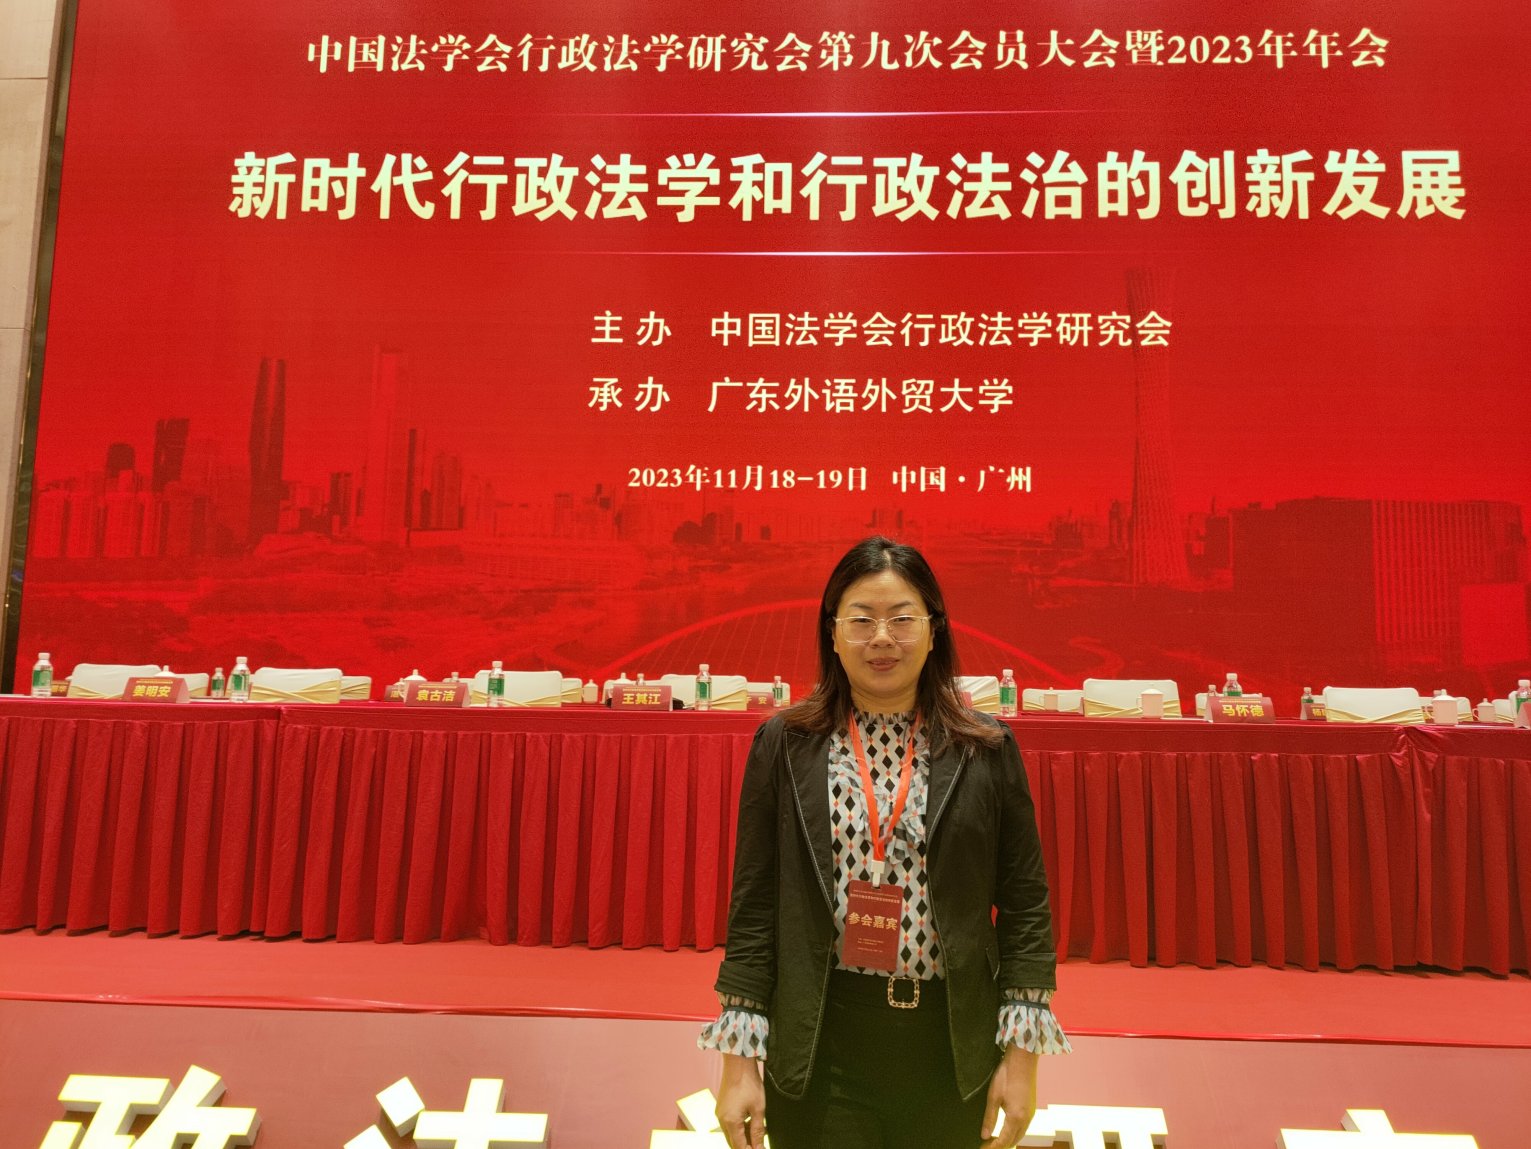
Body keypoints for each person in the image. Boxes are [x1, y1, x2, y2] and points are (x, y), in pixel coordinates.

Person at [699, 537, 1069, 1149]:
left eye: (901, 619)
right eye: (861, 620)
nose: (882, 638)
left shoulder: (985, 748)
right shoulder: (785, 744)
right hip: (822, 1044)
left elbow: (1025, 905)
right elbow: (754, 907)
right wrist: (738, 1064)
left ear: (933, 630)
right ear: (832, 633)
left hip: (951, 1050)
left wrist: (1021, 1058)